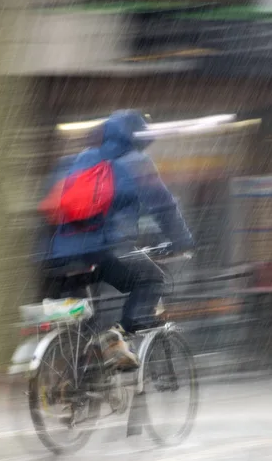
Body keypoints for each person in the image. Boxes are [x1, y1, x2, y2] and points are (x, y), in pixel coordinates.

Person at [35, 110, 193, 371]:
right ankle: (116, 336)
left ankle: (79, 378)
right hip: (104, 249)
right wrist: (181, 241)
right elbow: (164, 208)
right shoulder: (136, 163)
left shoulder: (74, 161)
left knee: (83, 319)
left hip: (58, 255)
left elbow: (49, 207)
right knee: (151, 279)